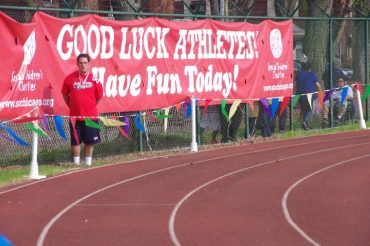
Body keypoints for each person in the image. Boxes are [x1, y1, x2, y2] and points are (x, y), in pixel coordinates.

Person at [61, 53, 103, 166]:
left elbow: (99, 97)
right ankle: (76, 164)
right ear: (77, 64)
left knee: (90, 141)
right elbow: (65, 94)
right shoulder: (70, 78)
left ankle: (88, 163)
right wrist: (72, 106)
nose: (83, 65)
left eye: (85, 63)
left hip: (91, 117)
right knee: (75, 141)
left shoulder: (95, 79)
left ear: (89, 64)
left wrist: (90, 106)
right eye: (81, 63)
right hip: (75, 117)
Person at [295, 62, 322, 130]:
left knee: (305, 109)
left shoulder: (298, 74)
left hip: (300, 95)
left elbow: (295, 85)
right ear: (310, 68)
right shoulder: (312, 74)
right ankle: (305, 122)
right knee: (310, 109)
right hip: (311, 95)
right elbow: (318, 85)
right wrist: (321, 93)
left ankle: (305, 125)